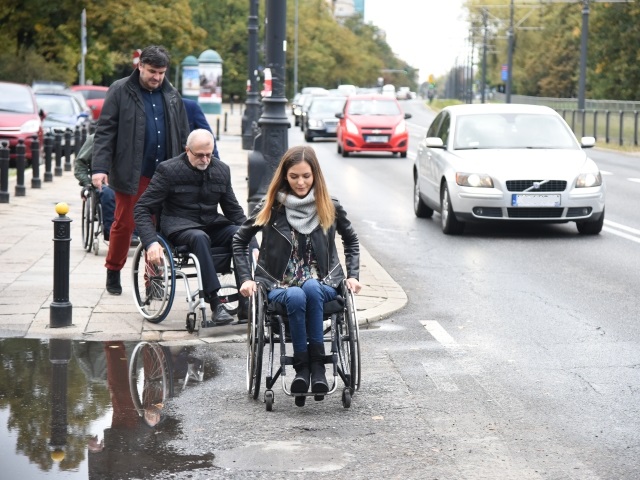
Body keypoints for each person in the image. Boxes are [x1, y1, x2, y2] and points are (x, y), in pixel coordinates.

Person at [232, 145, 362, 396]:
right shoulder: (270, 207)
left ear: (315, 176)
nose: (300, 182)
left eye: (306, 176)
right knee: (296, 294)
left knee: (311, 288)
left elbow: (352, 240)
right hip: (279, 284)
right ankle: (303, 369)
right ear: (284, 177)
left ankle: (318, 370)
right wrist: (246, 279)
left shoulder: (329, 206)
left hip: (322, 281)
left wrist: (354, 275)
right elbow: (240, 240)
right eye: (294, 177)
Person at [92, 45, 190, 295]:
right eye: (152, 72)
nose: (157, 78)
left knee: (156, 229)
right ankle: (113, 270)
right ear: (140, 66)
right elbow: (105, 132)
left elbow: (183, 135)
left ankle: (153, 282)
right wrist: (100, 168)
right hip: (131, 172)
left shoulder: (172, 95)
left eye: (161, 72)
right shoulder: (120, 89)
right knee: (124, 224)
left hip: (164, 174)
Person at [134, 129, 250, 326]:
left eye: (209, 154)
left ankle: (246, 303)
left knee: (237, 234)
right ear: (187, 150)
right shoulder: (168, 170)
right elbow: (142, 208)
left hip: (211, 224)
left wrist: (253, 243)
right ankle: (215, 304)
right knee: (199, 237)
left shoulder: (221, 170)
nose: (205, 159)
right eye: (199, 155)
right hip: (179, 226)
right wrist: (151, 242)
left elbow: (235, 212)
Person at [74, 133, 115, 241]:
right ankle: (110, 232)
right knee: (108, 193)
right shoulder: (95, 138)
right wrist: (87, 182)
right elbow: (80, 164)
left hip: (126, 182)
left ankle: (134, 233)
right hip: (103, 184)